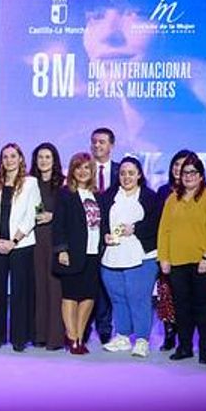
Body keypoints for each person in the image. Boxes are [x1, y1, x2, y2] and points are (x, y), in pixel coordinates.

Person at [158, 151, 206, 363]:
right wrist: (164, 258)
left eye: (192, 172)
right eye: (185, 172)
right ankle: (184, 347)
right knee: (182, 307)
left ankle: (205, 350)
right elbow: (164, 231)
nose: (188, 176)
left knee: (204, 309)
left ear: (200, 175)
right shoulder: (172, 199)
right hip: (177, 263)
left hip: (203, 263)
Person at [98, 157, 162, 358]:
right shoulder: (108, 196)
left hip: (142, 256)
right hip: (113, 255)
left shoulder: (151, 197)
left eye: (131, 173)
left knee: (139, 298)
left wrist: (134, 229)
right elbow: (99, 222)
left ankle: (142, 339)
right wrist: (105, 234)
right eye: (123, 173)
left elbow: (157, 225)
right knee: (117, 298)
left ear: (139, 175)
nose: (126, 177)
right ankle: (123, 336)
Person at [0, 143, 40, 351]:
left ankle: (19, 338)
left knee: (20, 293)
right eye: (5, 157)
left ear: (21, 158)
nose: (9, 160)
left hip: (21, 244)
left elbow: (32, 215)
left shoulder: (30, 183)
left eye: (13, 156)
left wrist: (14, 241)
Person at [53, 152, 104, 354]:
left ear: (92, 171)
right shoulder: (65, 194)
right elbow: (59, 225)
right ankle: (71, 336)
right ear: (72, 171)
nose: (82, 171)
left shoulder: (99, 196)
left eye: (86, 168)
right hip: (72, 253)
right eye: (78, 167)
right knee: (71, 295)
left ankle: (80, 336)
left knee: (89, 296)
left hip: (94, 253)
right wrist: (61, 250)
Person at [154, 149, 192, 351]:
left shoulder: (203, 192)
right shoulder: (163, 192)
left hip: (190, 253)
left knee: (187, 298)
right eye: (176, 164)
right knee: (167, 296)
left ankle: (186, 339)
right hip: (167, 252)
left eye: (184, 165)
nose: (178, 169)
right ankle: (170, 335)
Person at [87, 128, 121, 344]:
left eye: (102, 142)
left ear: (111, 145)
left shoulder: (122, 171)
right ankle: (85, 325)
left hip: (115, 236)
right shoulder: (83, 169)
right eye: (94, 142)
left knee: (108, 284)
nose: (97, 146)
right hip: (88, 235)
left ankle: (105, 326)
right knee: (89, 281)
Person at [30, 143, 65, 350]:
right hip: (33, 239)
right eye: (40, 157)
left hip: (54, 239)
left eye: (47, 157)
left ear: (54, 160)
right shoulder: (28, 183)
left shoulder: (62, 184)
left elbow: (70, 212)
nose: (43, 161)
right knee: (37, 286)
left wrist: (53, 216)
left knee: (55, 287)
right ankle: (39, 334)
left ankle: (55, 337)